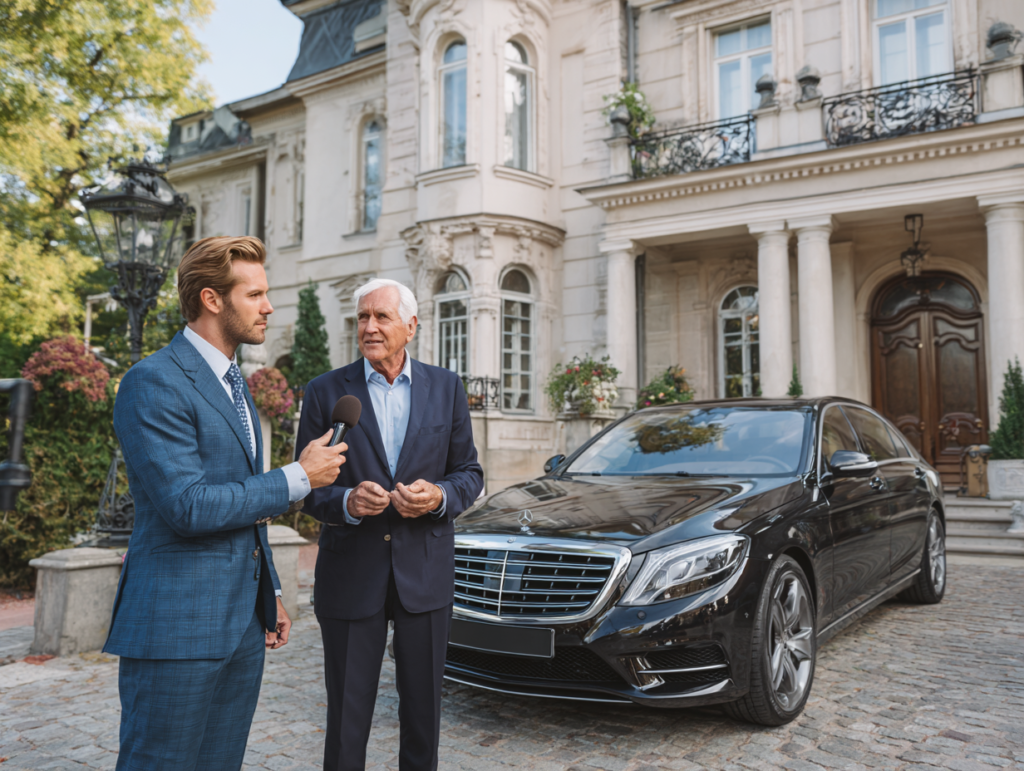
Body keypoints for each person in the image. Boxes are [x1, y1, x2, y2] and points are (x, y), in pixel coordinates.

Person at [106, 236, 348, 771]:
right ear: (213, 299)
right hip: (176, 627)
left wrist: (270, 592)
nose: (268, 307)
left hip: (240, 624)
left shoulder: (235, 383)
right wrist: (296, 477)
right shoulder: (153, 381)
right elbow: (188, 506)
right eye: (255, 294)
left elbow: (239, 499)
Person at [297, 278, 484, 771]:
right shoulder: (326, 392)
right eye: (362, 317)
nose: (370, 327)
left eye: (381, 317)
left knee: (423, 717)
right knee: (346, 721)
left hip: (424, 574)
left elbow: (469, 473)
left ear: (411, 326)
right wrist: (347, 502)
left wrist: (440, 496)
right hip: (351, 575)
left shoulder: (446, 388)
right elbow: (306, 486)